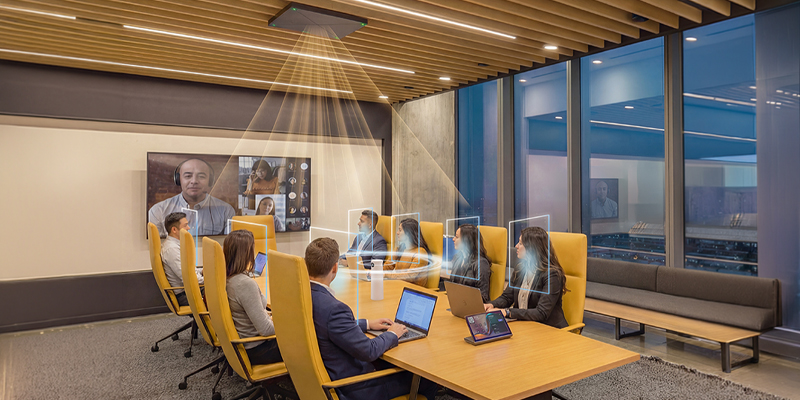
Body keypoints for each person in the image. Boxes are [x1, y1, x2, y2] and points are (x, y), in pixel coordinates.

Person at [305, 238, 439, 400]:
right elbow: (369, 351)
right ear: (335, 267)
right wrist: (393, 333)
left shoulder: (304, 296)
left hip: (328, 375)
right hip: (355, 388)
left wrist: (367, 324)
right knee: (427, 379)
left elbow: (327, 325)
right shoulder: (335, 309)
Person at [485, 227, 568, 328]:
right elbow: (507, 297)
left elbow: (541, 313)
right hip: (524, 326)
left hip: (548, 329)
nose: (516, 246)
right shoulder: (520, 268)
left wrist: (507, 312)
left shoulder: (552, 275)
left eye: (520, 243)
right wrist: (492, 305)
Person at [224, 230, 283, 365]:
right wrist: (289, 325)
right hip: (258, 349)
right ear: (246, 254)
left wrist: (269, 316)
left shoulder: (228, 277)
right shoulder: (245, 284)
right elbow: (266, 330)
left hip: (246, 342)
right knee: (311, 338)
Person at [149, 158, 235, 237]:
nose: (194, 181)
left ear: (210, 180)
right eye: (188, 176)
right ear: (179, 179)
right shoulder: (158, 211)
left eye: (201, 176)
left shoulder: (226, 211)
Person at [160, 212, 203, 307]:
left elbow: (190, 271)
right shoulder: (172, 250)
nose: (188, 228)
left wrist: (203, 271)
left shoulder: (176, 246)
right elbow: (189, 279)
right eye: (185, 225)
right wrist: (212, 280)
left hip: (190, 290)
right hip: (185, 295)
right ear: (174, 230)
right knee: (227, 292)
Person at [449, 224, 492, 302]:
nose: (453, 239)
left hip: (472, 307)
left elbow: (483, 297)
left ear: (466, 240)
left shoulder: (481, 263)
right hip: (457, 303)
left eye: (457, 237)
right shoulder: (457, 258)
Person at [385, 219, 430, 287]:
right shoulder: (399, 249)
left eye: (400, 230)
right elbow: (387, 267)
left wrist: (385, 275)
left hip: (413, 292)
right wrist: (371, 272)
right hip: (398, 286)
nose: (397, 232)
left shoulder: (420, 253)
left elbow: (409, 277)